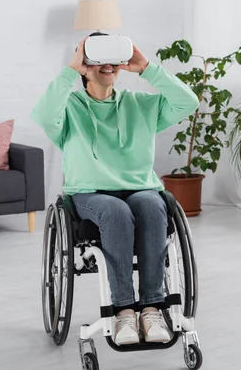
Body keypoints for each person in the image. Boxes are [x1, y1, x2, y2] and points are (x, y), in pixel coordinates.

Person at [31, 34, 198, 345]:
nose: (106, 65)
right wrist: (71, 69)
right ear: (83, 63)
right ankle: (123, 311)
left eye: (112, 59)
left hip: (140, 189)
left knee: (151, 205)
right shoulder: (68, 108)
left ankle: (150, 307)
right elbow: (41, 115)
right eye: (95, 58)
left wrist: (147, 67)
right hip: (90, 193)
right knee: (115, 210)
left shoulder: (141, 105)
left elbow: (188, 102)